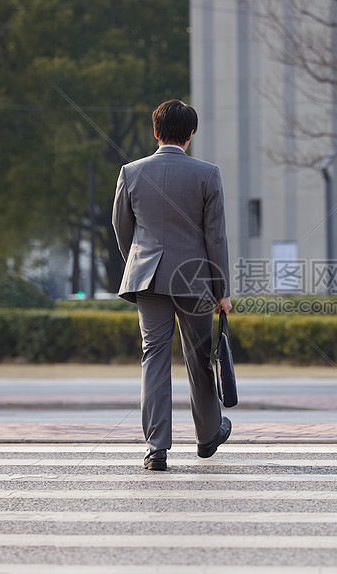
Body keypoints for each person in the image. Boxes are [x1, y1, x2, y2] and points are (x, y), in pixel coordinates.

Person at [112, 99, 233, 471]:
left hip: (147, 278)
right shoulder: (207, 174)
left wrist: (139, 262)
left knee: (154, 358)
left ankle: (157, 447)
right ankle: (208, 435)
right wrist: (221, 290)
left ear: (155, 131)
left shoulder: (130, 172)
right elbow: (216, 237)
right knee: (198, 356)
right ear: (191, 135)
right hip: (195, 279)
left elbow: (121, 227)